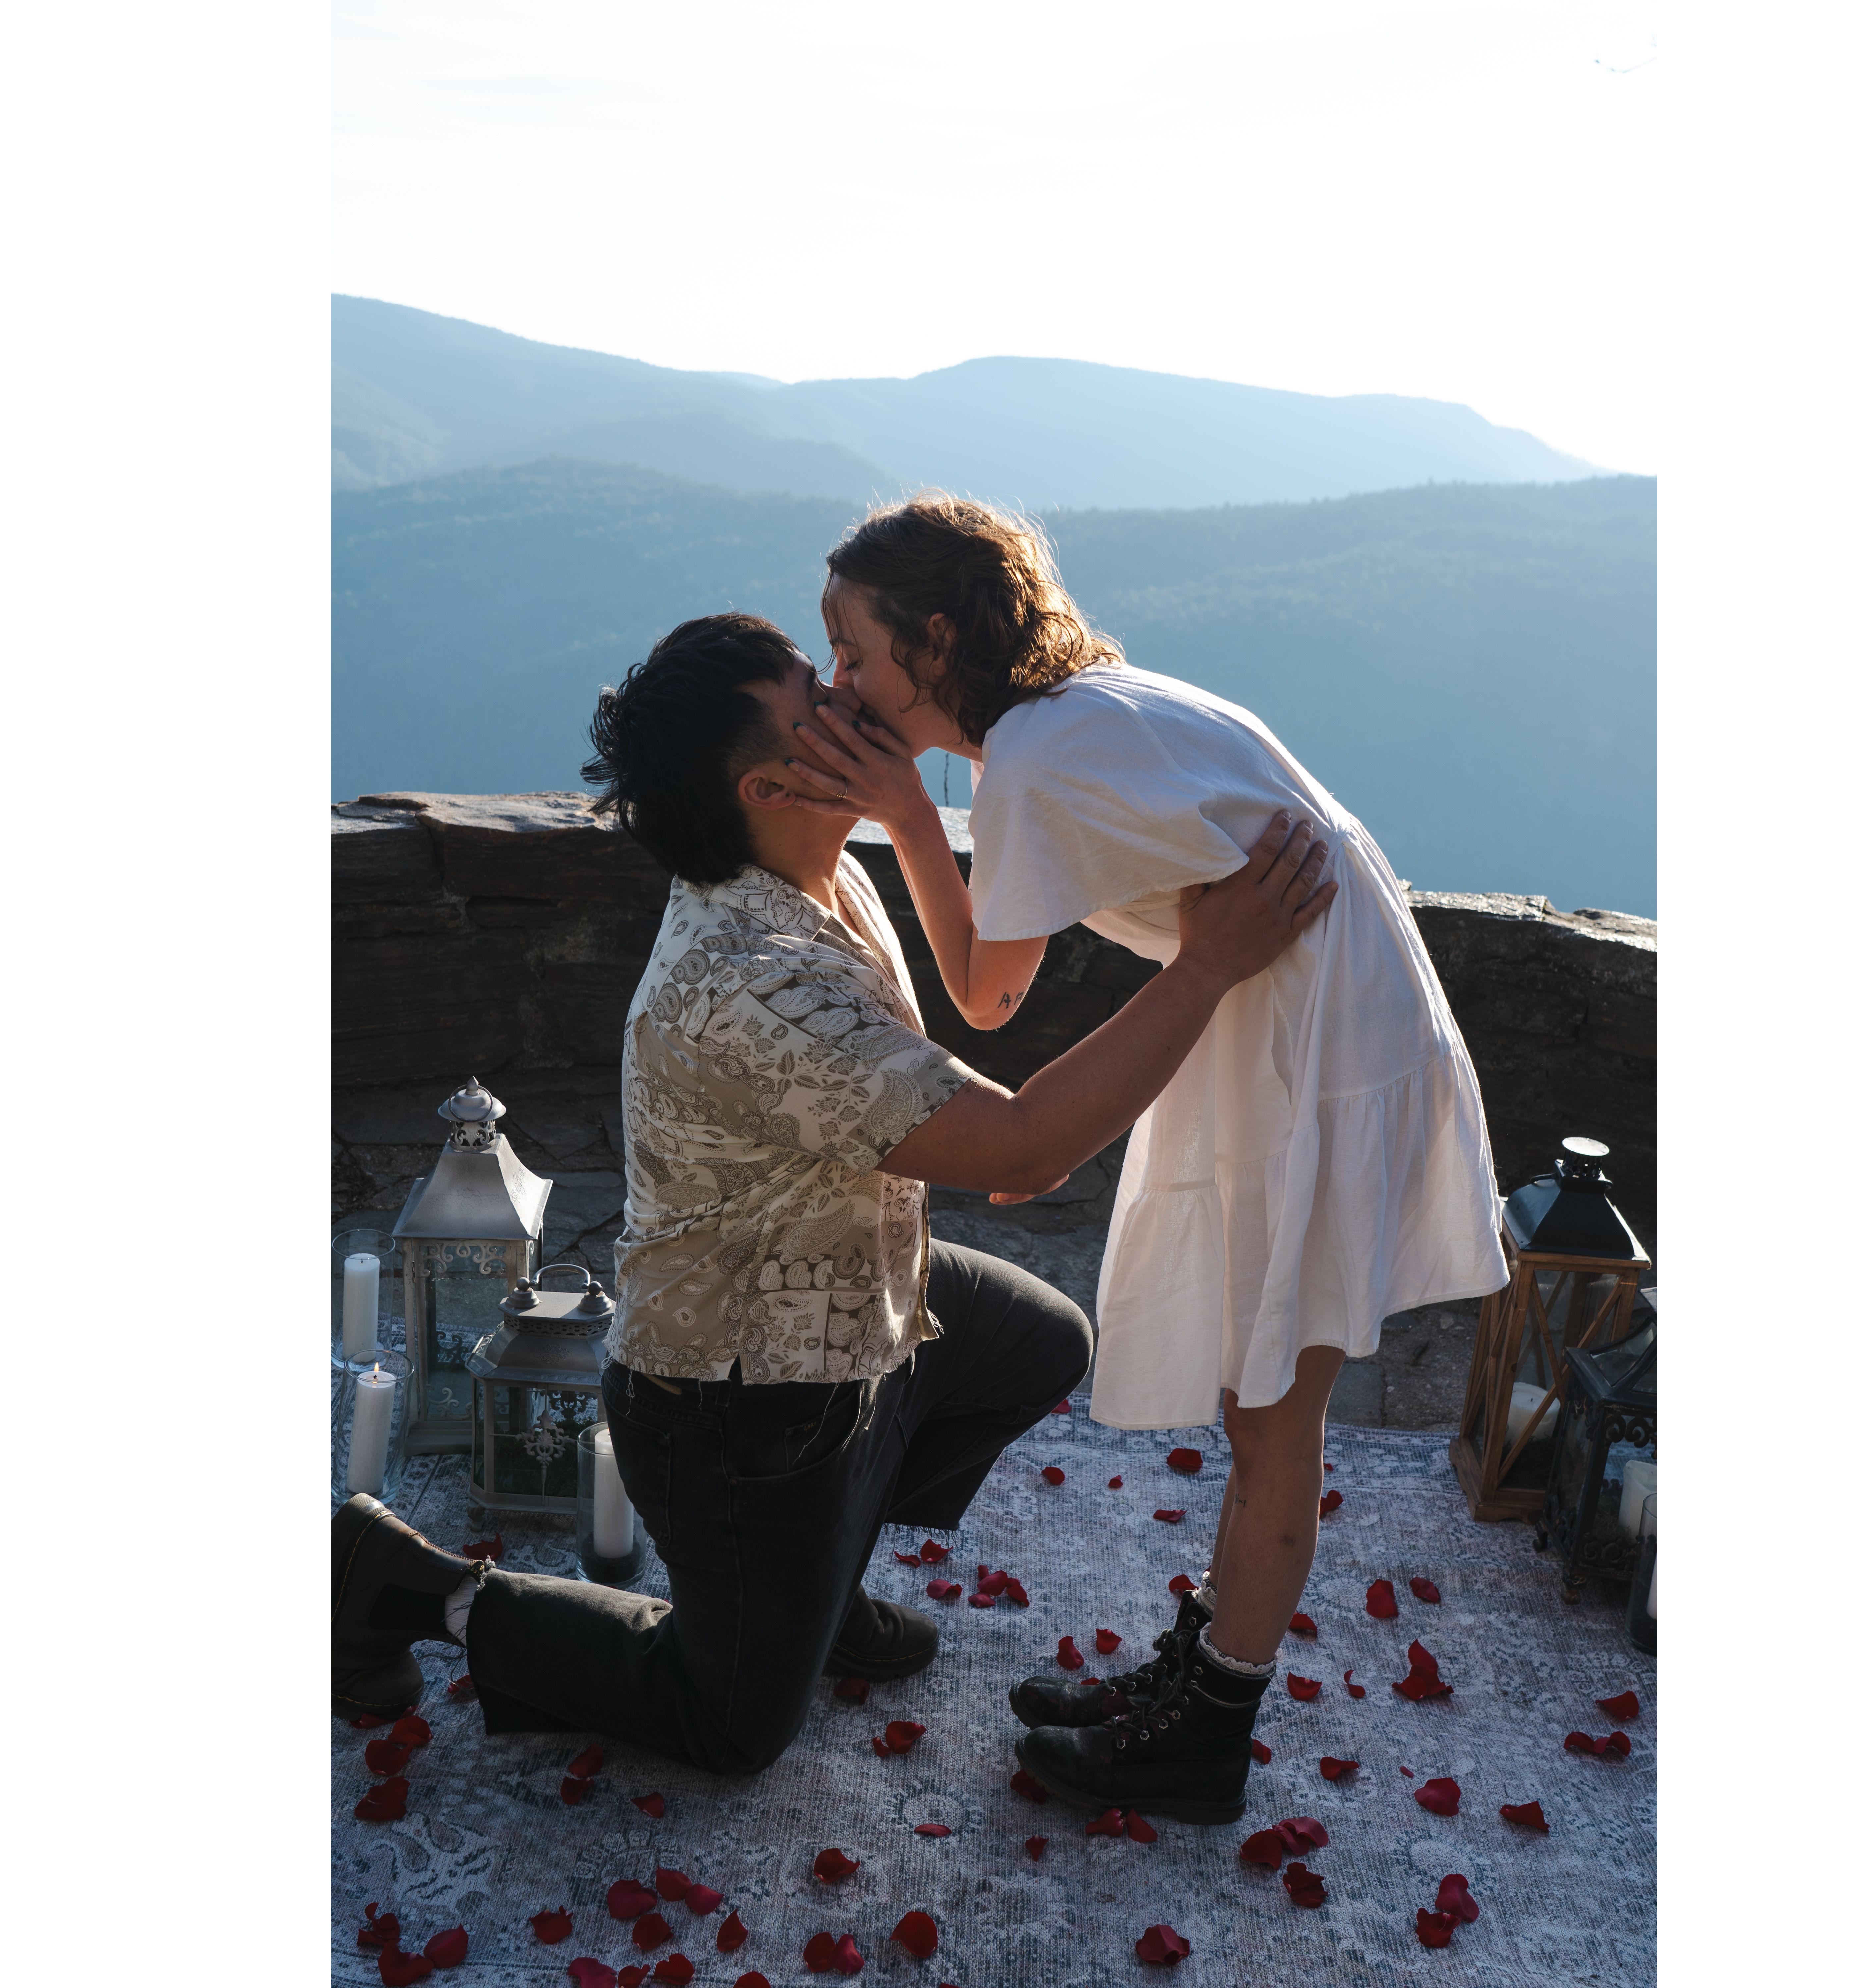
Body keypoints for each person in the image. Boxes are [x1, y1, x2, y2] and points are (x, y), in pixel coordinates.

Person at [332, 611, 1336, 1778]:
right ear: (767, 786)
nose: (854, 701)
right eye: (819, 704)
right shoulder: (748, 988)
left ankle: (813, 1579)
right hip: (736, 1404)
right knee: (731, 1727)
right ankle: (415, 1585)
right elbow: (1023, 1152)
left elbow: (979, 1063)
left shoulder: (812, 868)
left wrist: (917, 816)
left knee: (1039, 1343)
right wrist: (1208, 964)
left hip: (850, 1300)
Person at [778, 496, 1507, 1823]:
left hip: (1313, 1044)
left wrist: (905, 812)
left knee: (1276, 1413)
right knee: (1256, 1398)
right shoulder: (1078, 712)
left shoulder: (1033, 761)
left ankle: (1207, 1734)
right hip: (1303, 1012)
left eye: (855, 652)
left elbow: (986, 994)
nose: (840, 685)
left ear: (933, 642)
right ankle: (1203, 1671)